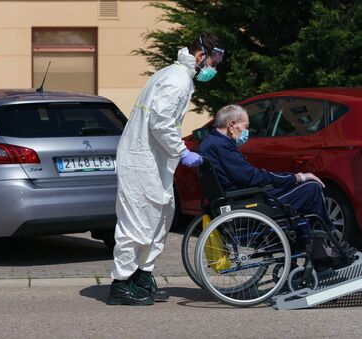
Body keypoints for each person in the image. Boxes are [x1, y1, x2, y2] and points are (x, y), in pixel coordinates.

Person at [107, 33, 224, 306]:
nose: (213, 68)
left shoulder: (175, 76)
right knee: (137, 221)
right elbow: (160, 123)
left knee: (160, 217)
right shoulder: (177, 80)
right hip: (141, 160)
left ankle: (142, 275)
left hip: (152, 160)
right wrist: (182, 151)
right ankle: (121, 284)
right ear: (200, 57)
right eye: (213, 61)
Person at [200, 104, 356, 265]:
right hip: (245, 202)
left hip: (234, 199)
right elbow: (251, 177)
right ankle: (323, 247)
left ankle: (316, 246)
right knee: (311, 188)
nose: (247, 132)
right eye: (246, 127)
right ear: (232, 125)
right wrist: (296, 177)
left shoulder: (209, 142)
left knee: (299, 191)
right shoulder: (223, 147)